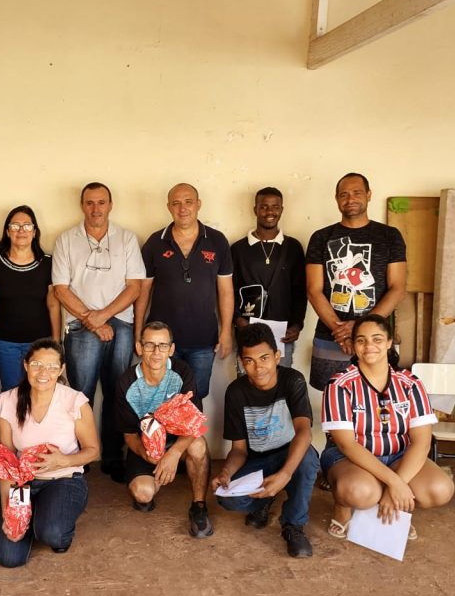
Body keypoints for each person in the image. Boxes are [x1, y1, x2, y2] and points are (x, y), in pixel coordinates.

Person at [321, 314, 454, 540]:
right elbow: (346, 444)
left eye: (377, 339)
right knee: (360, 492)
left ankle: (396, 512)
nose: (369, 346)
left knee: (440, 490)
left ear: (390, 342)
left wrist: (397, 486)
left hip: (398, 456)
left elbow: (422, 442)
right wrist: (394, 483)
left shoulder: (410, 383)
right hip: (350, 459)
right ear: (353, 346)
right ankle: (342, 506)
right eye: (361, 340)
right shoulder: (340, 384)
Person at [52, 182, 145, 482]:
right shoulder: (66, 240)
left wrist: (103, 316)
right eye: (90, 203)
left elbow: (135, 286)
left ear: (110, 205)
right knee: (82, 395)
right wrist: (91, 320)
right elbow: (61, 289)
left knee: (118, 392)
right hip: (79, 326)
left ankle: (113, 457)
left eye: (101, 202)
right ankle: (81, 454)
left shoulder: (127, 239)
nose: (96, 208)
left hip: (120, 324)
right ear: (82, 205)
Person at [0, 339, 100, 567]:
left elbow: (93, 451)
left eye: (51, 367)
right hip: (22, 484)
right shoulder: (7, 401)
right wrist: (9, 511)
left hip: (64, 480)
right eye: (37, 364)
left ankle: (53, 520)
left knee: (52, 534)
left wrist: (63, 460)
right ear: (26, 365)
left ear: (61, 369)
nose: (43, 373)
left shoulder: (74, 401)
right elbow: (5, 462)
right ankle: (33, 515)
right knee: (9, 557)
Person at [211, 323, 319, 557]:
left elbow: (304, 431)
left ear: (277, 356)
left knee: (309, 459)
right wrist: (226, 472)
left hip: (290, 454)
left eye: (264, 358)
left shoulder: (293, 380)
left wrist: (285, 474)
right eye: (249, 361)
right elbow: (239, 450)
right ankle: (265, 501)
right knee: (228, 500)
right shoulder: (236, 392)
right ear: (241, 362)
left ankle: (293, 525)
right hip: (258, 461)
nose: (258, 368)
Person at [305, 172, 407, 390]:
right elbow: (313, 290)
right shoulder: (321, 238)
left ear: (369, 195)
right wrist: (340, 330)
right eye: (344, 194)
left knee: (379, 397)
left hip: (376, 338)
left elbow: (397, 288)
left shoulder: (390, 236)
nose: (350, 199)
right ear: (336, 199)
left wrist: (361, 328)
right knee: (333, 399)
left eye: (357, 193)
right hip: (331, 335)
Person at [135, 183, 233, 399]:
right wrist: (138, 332)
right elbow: (143, 292)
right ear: (168, 207)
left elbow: (225, 291)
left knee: (194, 398)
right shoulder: (155, 242)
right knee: (160, 397)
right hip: (160, 343)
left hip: (203, 340)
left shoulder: (217, 241)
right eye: (176, 203)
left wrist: (226, 332)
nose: (183, 208)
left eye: (188, 202)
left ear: (198, 204)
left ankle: (192, 436)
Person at [116, 321, 213, 538]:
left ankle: (198, 507)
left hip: (178, 441)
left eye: (162, 346)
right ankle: (160, 473)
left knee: (198, 445)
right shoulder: (126, 382)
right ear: (139, 348)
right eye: (149, 345)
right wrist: (148, 454)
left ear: (171, 349)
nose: (156, 352)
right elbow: (129, 434)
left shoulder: (182, 372)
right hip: (147, 445)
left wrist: (174, 453)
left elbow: (194, 424)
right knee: (143, 494)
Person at [0, 206, 61, 391]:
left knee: (40, 394)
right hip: (4, 343)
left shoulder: (48, 262)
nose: (21, 231)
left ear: (34, 232)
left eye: (27, 226)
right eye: (15, 225)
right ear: (7, 231)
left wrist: (56, 341)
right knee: (12, 395)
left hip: (40, 344)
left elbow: (53, 304)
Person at [230, 187, 307, 367]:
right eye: (264, 207)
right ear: (255, 209)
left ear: (282, 209)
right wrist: (238, 320)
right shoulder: (238, 249)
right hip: (247, 331)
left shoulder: (293, 247)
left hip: (283, 332)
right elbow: (229, 290)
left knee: (281, 383)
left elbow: (300, 290)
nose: (270, 212)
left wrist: (297, 324)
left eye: (275, 207)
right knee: (247, 383)